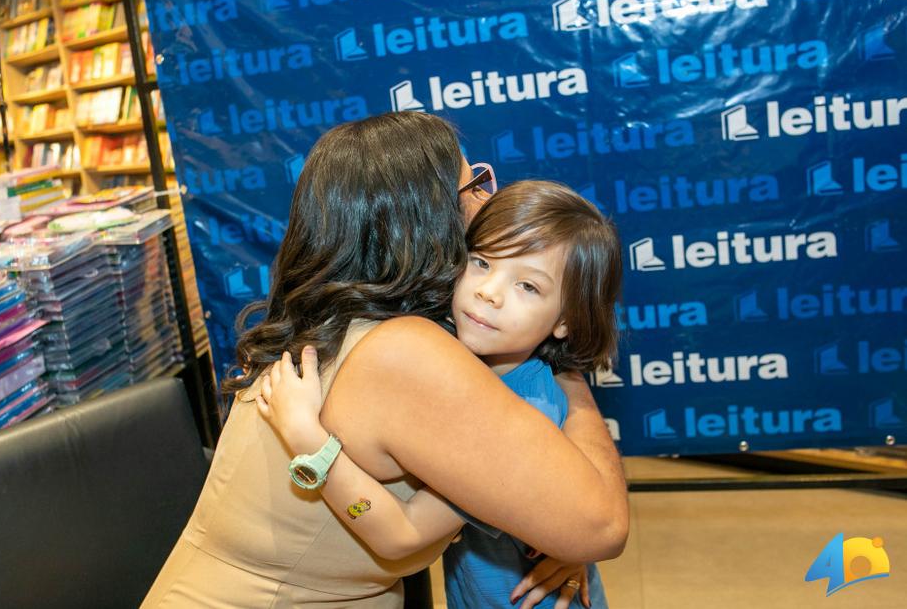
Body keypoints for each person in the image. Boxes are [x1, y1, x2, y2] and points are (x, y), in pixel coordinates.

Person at [141, 112, 628, 608]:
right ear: (428, 220)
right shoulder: (406, 352)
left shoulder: (334, 318)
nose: (489, 198)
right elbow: (602, 527)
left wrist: (548, 527)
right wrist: (570, 381)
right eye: (475, 185)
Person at [256, 180, 622, 609]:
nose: (489, 291)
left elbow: (400, 535)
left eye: (529, 287)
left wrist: (310, 444)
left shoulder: (524, 413)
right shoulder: (465, 358)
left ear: (566, 320)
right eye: (481, 262)